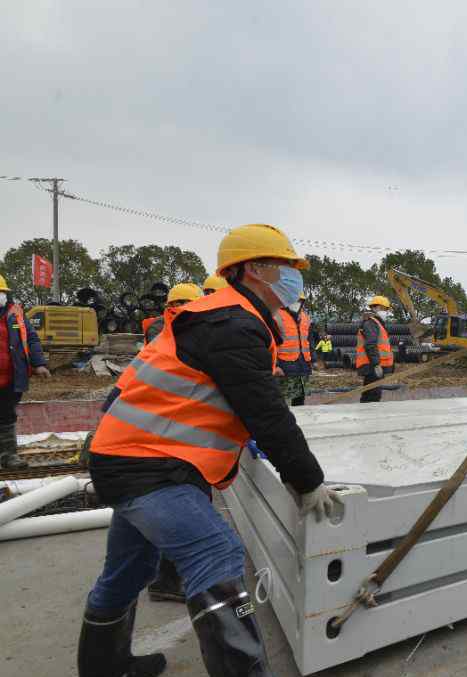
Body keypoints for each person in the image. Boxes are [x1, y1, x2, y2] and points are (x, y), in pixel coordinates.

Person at [81, 224, 343, 676]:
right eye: (287, 266)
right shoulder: (233, 323)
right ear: (256, 269)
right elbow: (265, 410)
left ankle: (107, 667)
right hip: (148, 467)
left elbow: (228, 401)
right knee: (216, 554)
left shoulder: (223, 315)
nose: (295, 276)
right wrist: (308, 480)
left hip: (131, 457)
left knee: (130, 568)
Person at [0, 274, 50, 469]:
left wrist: (39, 364)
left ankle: (9, 456)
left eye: (1, 292)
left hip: (10, 378)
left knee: (6, 416)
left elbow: (31, 339)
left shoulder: (16, 314)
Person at [275, 293, 314, 406]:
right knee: (281, 399)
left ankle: (300, 422)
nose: (296, 302)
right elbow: (270, 342)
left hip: (303, 365)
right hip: (284, 366)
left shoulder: (305, 317)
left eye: (299, 300)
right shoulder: (277, 315)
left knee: (300, 398)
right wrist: (275, 364)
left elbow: (309, 340)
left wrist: (312, 359)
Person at [355, 295, 395, 402]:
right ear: (375, 308)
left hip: (373, 365)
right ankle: (369, 417)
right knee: (373, 395)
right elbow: (370, 345)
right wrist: (377, 364)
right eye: (384, 309)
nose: (386, 312)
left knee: (369, 394)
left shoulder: (376, 323)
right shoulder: (371, 323)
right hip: (372, 366)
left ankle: (365, 415)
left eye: (386, 309)